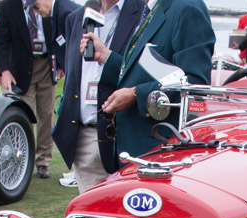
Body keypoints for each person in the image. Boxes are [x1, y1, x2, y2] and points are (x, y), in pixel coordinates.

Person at [86, 0, 215, 162]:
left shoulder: (187, 7)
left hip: (158, 153)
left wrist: (135, 95)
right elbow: (152, 72)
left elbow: (196, 86)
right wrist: (106, 56)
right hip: (134, 150)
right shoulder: (153, 9)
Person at [52, 0, 143, 192]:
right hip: (84, 136)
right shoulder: (77, 17)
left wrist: (107, 57)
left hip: (126, 139)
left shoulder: (144, 12)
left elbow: (146, 75)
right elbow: (73, 73)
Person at [0, 0, 70, 179]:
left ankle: (43, 162)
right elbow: (1, 41)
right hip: (20, 70)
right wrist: (4, 70)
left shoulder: (47, 4)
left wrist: (61, 64)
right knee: (23, 118)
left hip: (47, 65)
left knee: (46, 117)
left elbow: (60, 34)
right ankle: (20, 160)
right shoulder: (7, 6)